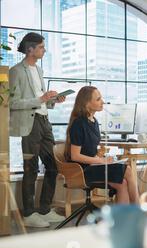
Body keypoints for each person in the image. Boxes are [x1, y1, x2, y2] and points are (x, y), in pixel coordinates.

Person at [9, 32, 66, 228]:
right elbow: (12, 103)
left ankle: (44, 209)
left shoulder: (39, 70)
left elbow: (41, 100)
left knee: (53, 166)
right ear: (30, 49)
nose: (44, 50)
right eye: (41, 47)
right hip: (29, 124)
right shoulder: (16, 71)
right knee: (30, 168)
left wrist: (52, 101)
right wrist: (40, 100)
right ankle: (28, 213)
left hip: (44, 121)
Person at [65, 86, 139, 204]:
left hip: (93, 166)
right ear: (87, 103)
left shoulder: (94, 122)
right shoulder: (79, 124)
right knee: (128, 170)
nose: (102, 102)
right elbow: (75, 156)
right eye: (98, 99)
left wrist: (101, 157)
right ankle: (139, 211)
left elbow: (89, 151)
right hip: (82, 170)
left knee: (122, 183)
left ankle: (124, 220)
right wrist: (100, 161)